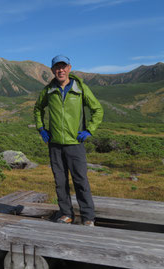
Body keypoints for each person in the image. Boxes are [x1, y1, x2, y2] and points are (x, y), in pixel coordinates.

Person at [34, 55, 103, 226]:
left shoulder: (80, 88)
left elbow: (97, 109)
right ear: (52, 70)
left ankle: (88, 217)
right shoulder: (49, 90)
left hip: (75, 143)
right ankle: (66, 214)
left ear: (69, 68)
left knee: (81, 181)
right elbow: (37, 109)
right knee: (60, 182)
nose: (61, 70)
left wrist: (89, 130)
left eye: (63, 66)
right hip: (55, 144)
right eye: (57, 67)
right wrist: (41, 128)